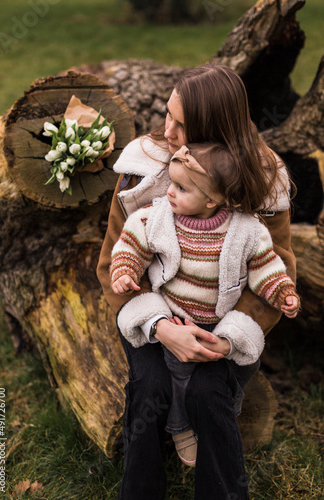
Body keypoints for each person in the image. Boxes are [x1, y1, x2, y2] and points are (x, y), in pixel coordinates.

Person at [97, 63, 297, 500]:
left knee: (210, 392)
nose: (168, 129)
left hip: (219, 325)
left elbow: (274, 269)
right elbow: (111, 261)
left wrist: (225, 341)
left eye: (182, 123)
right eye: (167, 114)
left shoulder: (263, 181)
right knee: (148, 386)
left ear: (215, 131)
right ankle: (141, 490)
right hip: (149, 312)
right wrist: (161, 327)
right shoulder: (141, 168)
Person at [109, 142, 300, 468]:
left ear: (212, 200)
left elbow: (265, 267)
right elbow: (131, 245)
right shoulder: (156, 218)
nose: (170, 192)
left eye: (181, 188)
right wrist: (125, 271)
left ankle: (229, 407)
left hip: (219, 321)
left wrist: (283, 292)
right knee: (180, 372)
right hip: (178, 317)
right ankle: (181, 426)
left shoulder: (246, 229)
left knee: (246, 364)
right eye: (172, 183)